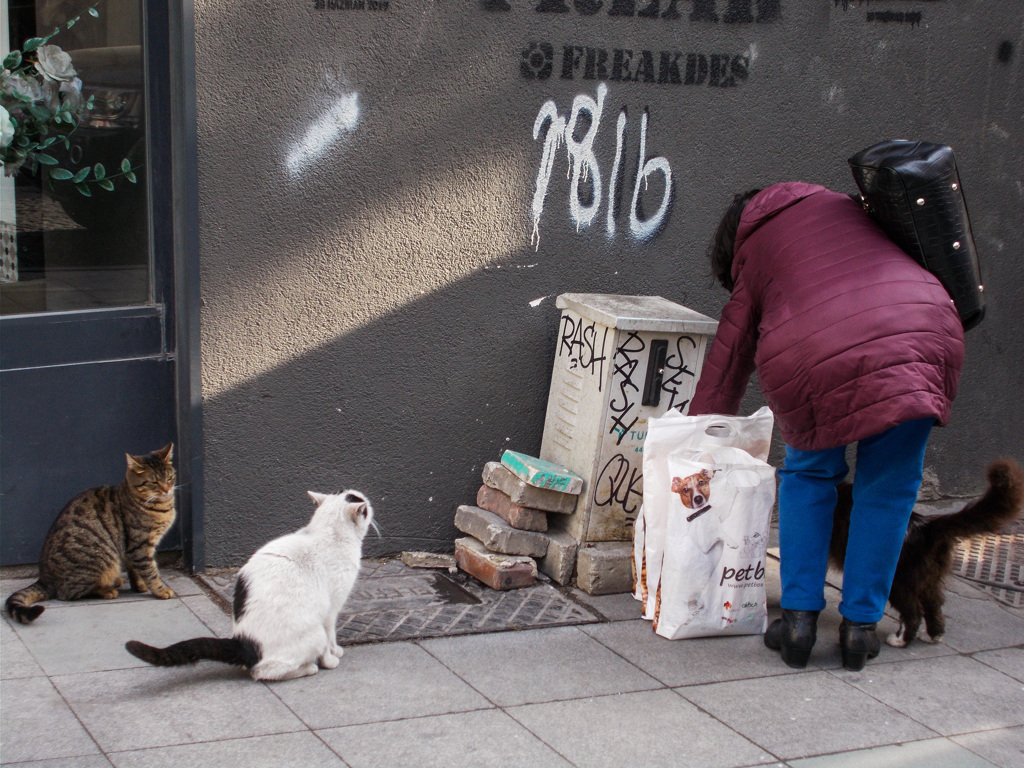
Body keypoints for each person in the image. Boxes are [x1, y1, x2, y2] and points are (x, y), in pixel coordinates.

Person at [686, 182, 965, 671]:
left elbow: (730, 357)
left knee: (811, 475)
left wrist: (699, 436)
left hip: (817, 349)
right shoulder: (847, 206)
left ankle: (798, 624)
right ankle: (860, 629)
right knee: (889, 488)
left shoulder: (755, 245)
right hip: (925, 330)